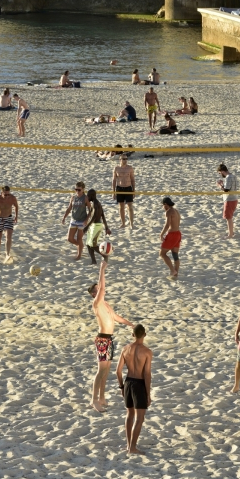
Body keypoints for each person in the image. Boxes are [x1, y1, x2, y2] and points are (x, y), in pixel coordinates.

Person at [88, 261, 134, 412]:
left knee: (106, 371)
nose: (101, 290)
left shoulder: (106, 305)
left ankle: (101, 397)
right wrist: (102, 269)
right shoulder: (97, 303)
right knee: (100, 371)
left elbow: (117, 318)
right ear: (94, 294)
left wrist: (131, 324)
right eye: (98, 290)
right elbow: (102, 286)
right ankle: (94, 400)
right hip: (102, 339)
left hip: (108, 340)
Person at [116, 324, 152, 454]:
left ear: (133, 335)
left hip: (128, 382)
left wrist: (121, 386)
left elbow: (118, 371)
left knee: (129, 415)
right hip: (139, 384)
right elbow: (147, 374)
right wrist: (148, 393)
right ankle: (132, 447)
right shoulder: (147, 352)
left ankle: (128, 445)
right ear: (145, 335)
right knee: (139, 418)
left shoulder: (125, 349)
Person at [61, 182, 91, 260]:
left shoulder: (85, 198)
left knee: (79, 238)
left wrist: (87, 220)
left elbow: (91, 210)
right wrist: (64, 217)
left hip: (82, 221)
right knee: (69, 238)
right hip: (73, 219)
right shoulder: (73, 197)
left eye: (79, 189)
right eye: (76, 189)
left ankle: (79, 255)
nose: (77, 191)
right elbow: (69, 208)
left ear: (83, 189)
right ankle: (80, 246)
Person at [84, 189, 111, 264]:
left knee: (92, 244)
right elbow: (103, 216)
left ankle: (104, 255)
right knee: (88, 244)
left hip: (97, 226)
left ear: (92, 196)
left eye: (88, 196)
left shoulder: (95, 204)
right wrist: (106, 227)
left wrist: (87, 226)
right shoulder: (97, 203)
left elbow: (95, 217)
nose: (87, 197)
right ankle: (93, 261)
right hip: (94, 225)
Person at [159, 197, 181, 279]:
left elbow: (167, 225)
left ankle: (172, 270)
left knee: (162, 253)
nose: (163, 207)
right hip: (178, 233)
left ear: (166, 204)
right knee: (175, 255)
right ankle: (176, 273)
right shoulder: (176, 211)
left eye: (163, 205)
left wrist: (161, 234)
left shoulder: (169, 212)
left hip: (172, 234)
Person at [113, 154, 135, 228]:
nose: (125, 160)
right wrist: (113, 192)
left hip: (128, 188)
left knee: (130, 206)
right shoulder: (116, 168)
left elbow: (132, 179)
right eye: (123, 159)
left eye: (126, 159)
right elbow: (114, 180)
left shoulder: (130, 168)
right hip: (119, 188)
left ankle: (131, 223)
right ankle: (123, 223)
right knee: (121, 206)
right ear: (120, 160)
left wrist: (134, 190)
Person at [217, 164, 238, 238]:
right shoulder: (233, 176)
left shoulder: (228, 177)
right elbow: (228, 187)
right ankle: (231, 232)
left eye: (220, 173)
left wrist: (219, 186)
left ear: (222, 171)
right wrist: (222, 184)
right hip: (234, 198)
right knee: (230, 217)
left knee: (228, 218)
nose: (220, 175)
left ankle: (230, 235)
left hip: (230, 199)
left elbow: (226, 190)